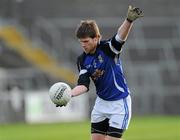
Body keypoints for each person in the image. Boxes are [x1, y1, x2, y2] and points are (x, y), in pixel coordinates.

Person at [59, 5, 143, 140]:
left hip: (119, 103)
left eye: (86, 41)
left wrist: (129, 20)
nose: (83, 45)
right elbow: (83, 85)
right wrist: (69, 94)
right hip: (101, 104)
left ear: (96, 38)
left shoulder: (108, 49)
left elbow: (120, 37)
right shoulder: (82, 59)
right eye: (81, 42)